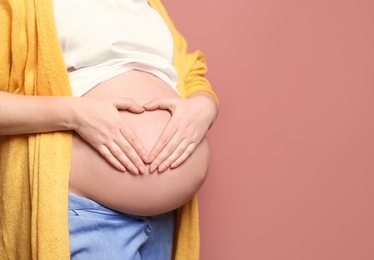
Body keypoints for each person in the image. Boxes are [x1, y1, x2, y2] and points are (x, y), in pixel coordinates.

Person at [0, 0, 218, 259]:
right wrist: (75, 114)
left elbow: (189, 72)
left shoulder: (148, 5)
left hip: (164, 222)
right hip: (84, 215)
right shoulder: (20, 5)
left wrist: (204, 106)